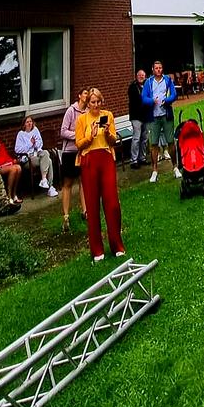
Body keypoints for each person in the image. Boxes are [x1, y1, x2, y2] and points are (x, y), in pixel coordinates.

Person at [75, 87, 126, 262]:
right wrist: (90, 137)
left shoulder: (107, 115)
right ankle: (97, 249)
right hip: (89, 160)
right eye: (93, 102)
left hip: (105, 157)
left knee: (112, 203)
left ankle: (116, 244)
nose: (96, 105)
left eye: (98, 102)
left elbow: (113, 140)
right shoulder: (82, 119)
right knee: (92, 204)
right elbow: (78, 144)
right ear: (87, 103)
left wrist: (107, 132)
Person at [142, 60, 181, 184]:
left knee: (170, 141)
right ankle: (154, 171)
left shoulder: (168, 80)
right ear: (152, 69)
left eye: (160, 68)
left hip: (166, 115)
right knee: (153, 143)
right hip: (153, 117)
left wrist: (167, 101)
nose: (158, 70)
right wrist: (151, 101)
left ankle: (175, 167)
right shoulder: (148, 82)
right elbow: (143, 98)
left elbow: (174, 94)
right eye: (156, 68)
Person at [60, 87, 89, 232]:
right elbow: (63, 131)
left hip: (82, 151)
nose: (87, 96)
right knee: (68, 183)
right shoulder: (71, 111)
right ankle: (66, 215)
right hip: (70, 152)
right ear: (79, 96)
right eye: (85, 93)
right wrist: (78, 136)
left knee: (83, 181)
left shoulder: (88, 112)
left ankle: (85, 211)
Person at [15, 115, 58, 197]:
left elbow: (40, 144)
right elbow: (17, 150)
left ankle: (44, 180)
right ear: (24, 124)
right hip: (28, 158)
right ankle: (50, 187)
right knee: (49, 161)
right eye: (27, 122)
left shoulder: (35, 130)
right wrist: (30, 143)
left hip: (37, 154)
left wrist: (35, 144)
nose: (29, 123)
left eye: (30, 122)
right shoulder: (21, 134)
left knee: (45, 152)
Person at [127, 68, 151, 169]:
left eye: (143, 75)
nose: (141, 77)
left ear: (145, 77)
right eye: (139, 75)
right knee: (136, 138)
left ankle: (142, 158)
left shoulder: (147, 86)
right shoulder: (133, 87)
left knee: (144, 138)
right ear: (136, 76)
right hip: (136, 116)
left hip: (145, 116)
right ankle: (134, 160)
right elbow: (137, 100)